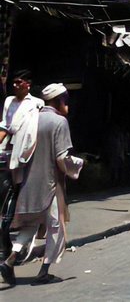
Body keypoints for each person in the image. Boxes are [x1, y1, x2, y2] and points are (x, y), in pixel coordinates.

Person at [0, 83, 82, 287]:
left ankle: (10, 260)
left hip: (27, 183)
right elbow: (62, 158)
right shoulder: (59, 122)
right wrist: (79, 164)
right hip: (50, 184)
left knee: (30, 225)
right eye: (66, 102)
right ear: (60, 101)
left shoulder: (31, 118)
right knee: (56, 227)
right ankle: (44, 271)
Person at [0, 70, 43, 260]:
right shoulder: (9, 101)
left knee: (14, 198)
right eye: (14, 82)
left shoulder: (36, 104)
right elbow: (5, 125)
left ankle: (10, 247)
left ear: (28, 84)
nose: (15, 85)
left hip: (24, 157)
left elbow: (32, 134)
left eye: (19, 82)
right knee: (6, 197)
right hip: (6, 154)